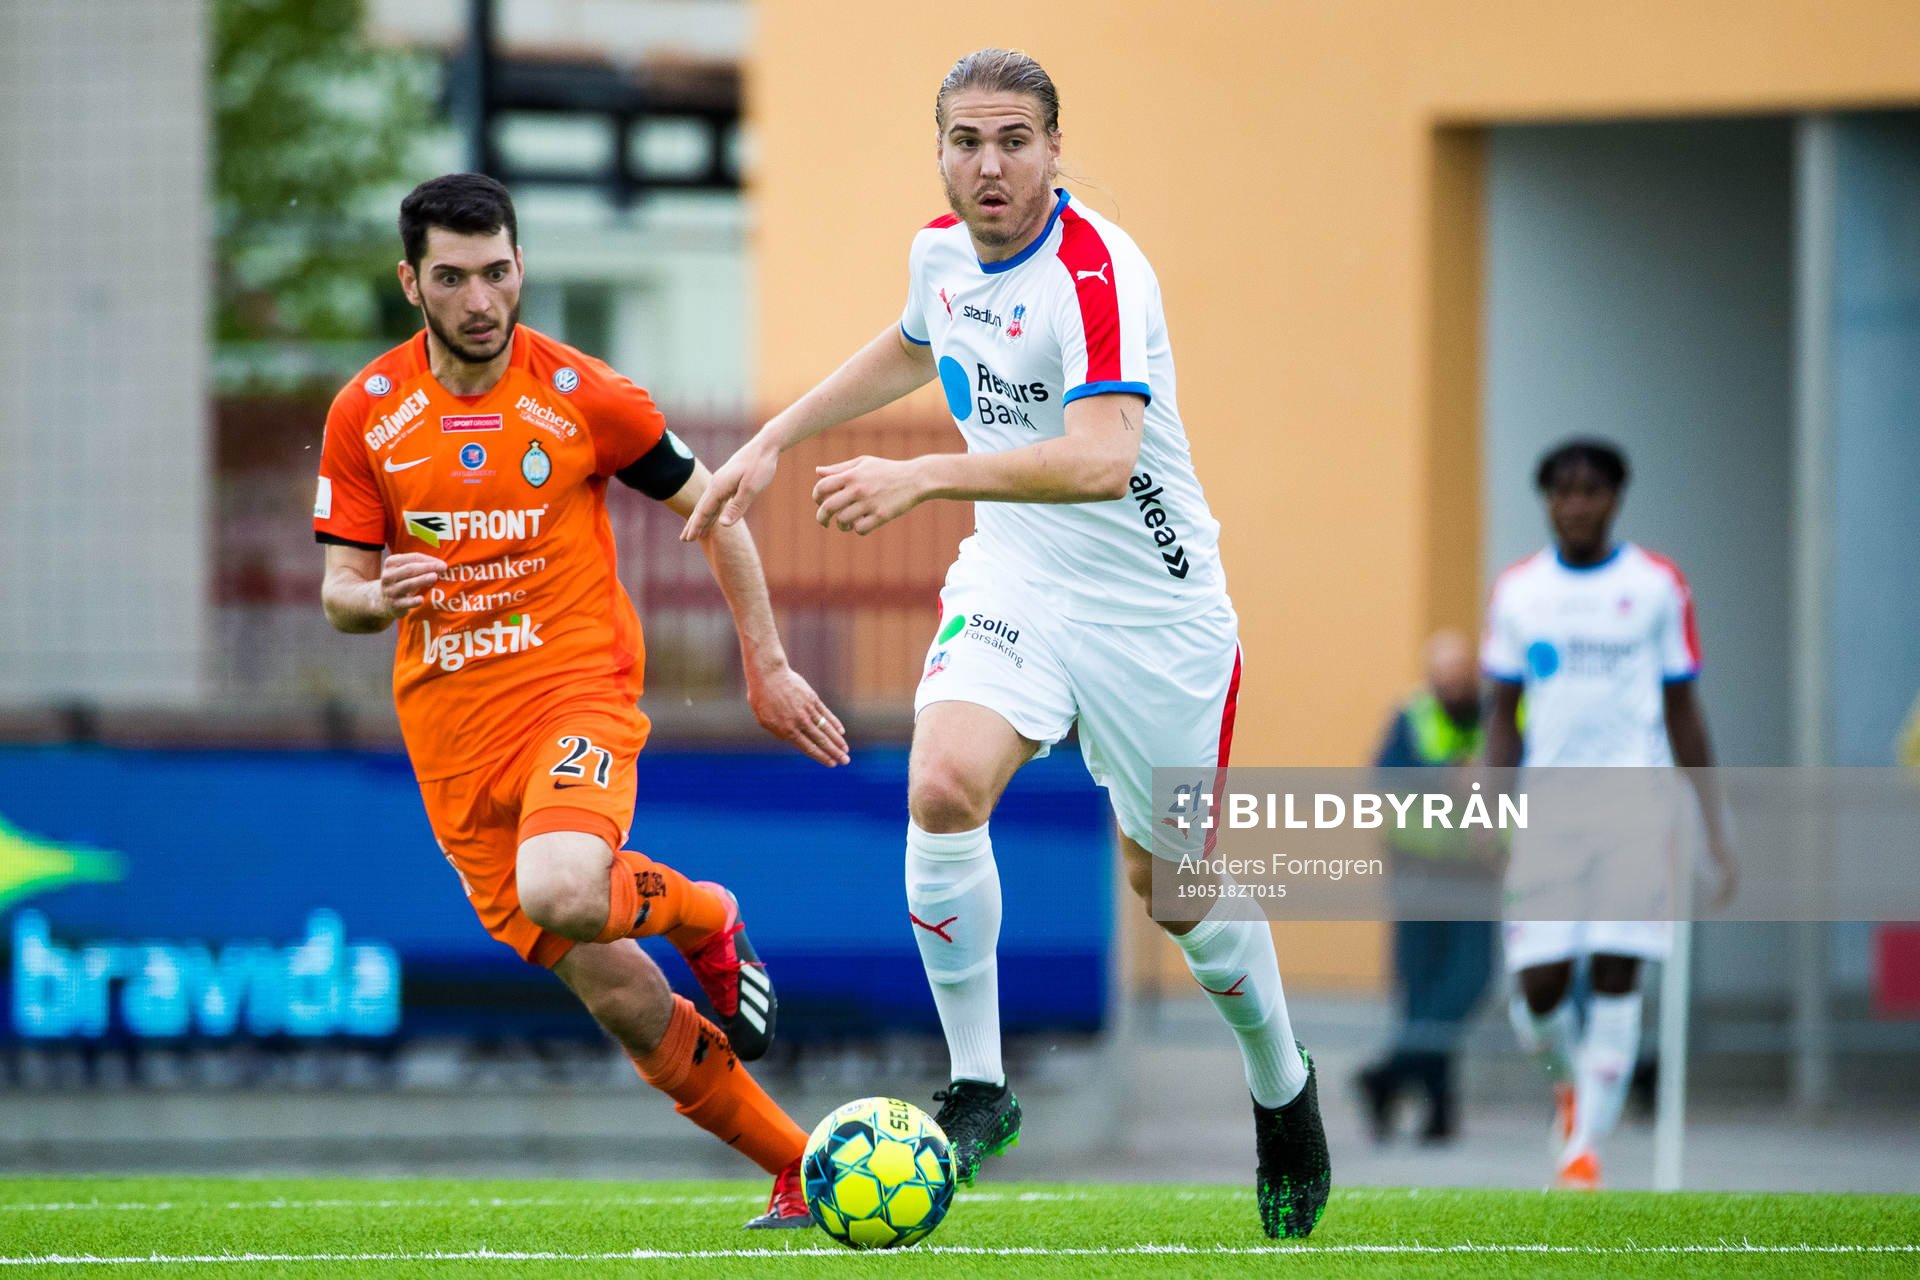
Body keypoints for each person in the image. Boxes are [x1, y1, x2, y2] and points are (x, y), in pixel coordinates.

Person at [683, 49, 1329, 1238]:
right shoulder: (941, 249)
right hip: (1020, 581)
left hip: (1157, 618)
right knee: (941, 782)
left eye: (1014, 141)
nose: (989, 166)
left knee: (1173, 892)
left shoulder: (1099, 271)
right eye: (966, 141)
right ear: (939, 148)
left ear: (1055, 149)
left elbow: (1103, 458)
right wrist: (775, 436)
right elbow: (918, 338)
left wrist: (925, 471)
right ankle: (980, 1086)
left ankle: (1284, 1088)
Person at [313, 174, 850, 1228]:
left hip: (576, 693)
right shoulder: (366, 413)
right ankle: (799, 1167)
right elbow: (338, 592)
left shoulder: (585, 393)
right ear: (410, 280)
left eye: (499, 271)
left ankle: (706, 910)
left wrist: (768, 662)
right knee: (622, 993)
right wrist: (376, 596)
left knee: (564, 883)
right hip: (453, 746)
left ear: (521, 266)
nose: (481, 298)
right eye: (454, 277)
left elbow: (718, 509)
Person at [1482, 438, 1735, 1189]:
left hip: (1636, 806)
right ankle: (1570, 1089)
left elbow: (1683, 708)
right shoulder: (1520, 592)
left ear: (1617, 497)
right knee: (1539, 993)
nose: (1578, 504)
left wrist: (1715, 827)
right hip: (1549, 814)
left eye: (1592, 490)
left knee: (1620, 973)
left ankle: (1582, 1155)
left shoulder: (1657, 586)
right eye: (1563, 491)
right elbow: (1504, 714)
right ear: (1547, 502)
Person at [1354, 630, 1496, 1145]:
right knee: (1420, 989)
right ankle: (1437, 1114)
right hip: (1418, 871)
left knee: (1469, 981)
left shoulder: (1499, 718)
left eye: (1463, 673)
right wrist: (1448, 777)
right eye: (1446, 675)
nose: (1455, 683)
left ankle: (1387, 1076)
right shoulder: (1411, 717)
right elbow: (1387, 781)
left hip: (1478, 874)